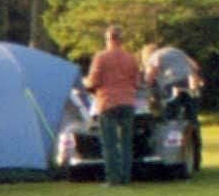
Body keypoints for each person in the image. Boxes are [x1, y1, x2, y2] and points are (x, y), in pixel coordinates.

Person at [84, 24, 140, 186]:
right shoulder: (131, 58)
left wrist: (85, 82)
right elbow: (136, 82)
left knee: (110, 143)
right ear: (121, 40)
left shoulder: (101, 57)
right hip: (128, 102)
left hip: (107, 102)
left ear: (108, 39)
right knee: (126, 142)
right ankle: (126, 177)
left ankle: (113, 179)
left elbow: (93, 81)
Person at [143, 45, 202, 123]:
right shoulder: (176, 51)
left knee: (170, 115)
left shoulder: (154, 56)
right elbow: (195, 66)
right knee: (191, 117)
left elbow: (150, 74)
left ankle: (172, 131)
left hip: (170, 84)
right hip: (188, 83)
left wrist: (145, 88)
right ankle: (194, 132)